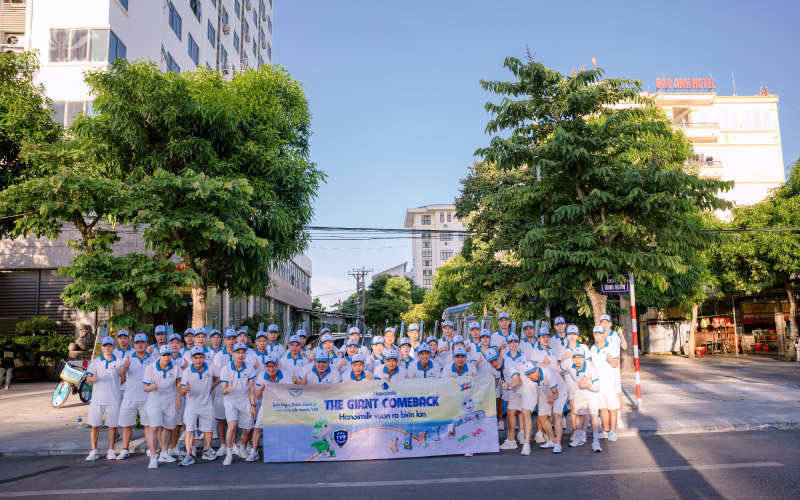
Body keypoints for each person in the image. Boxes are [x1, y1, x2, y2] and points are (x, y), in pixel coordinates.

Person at [85, 336, 125, 461]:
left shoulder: (119, 361)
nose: (107, 348)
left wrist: (116, 385)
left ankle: (111, 450)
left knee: (112, 426)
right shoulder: (95, 362)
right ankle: (94, 451)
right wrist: (93, 379)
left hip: (113, 399)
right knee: (94, 425)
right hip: (97, 400)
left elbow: (123, 376)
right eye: (105, 346)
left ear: (113, 347)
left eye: (110, 346)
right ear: (101, 347)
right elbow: (87, 379)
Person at [117, 333, 155, 460]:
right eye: (137, 343)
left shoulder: (153, 359)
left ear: (146, 344)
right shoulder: (128, 358)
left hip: (147, 397)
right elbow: (121, 373)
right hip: (130, 396)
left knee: (148, 425)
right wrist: (125, 366)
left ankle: (150, 449)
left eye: (142, 342)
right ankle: (125, 449)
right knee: (127, 424)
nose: (140, 345)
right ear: (134, 345)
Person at [143, 345, 182, 469]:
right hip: (155, 402)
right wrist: (151, 388)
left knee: (169, 427)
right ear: (159, 355)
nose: (167, 357)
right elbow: (145, 387)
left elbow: (178, 383)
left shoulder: (176, 365)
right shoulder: (151, 368)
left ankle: (164, 453)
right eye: (164, 355)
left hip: (170, 401)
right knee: (154, 428)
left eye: (169, 355)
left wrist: (178, 398)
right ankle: (154, 456)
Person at [219, 342, 257, 465]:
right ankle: (229, 454)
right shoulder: (226, 369)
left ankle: (242, 448)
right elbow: (223, 390)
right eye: (238, 352)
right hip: (230, 400)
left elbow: (251, 388)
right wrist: (227, 390)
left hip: (245, 400)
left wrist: (252, 405)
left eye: (243, 352)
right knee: (232, 425)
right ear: (233, 353)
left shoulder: (250, 367)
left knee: (247, 430)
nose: (241, 355)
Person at [179, 346, 217, 465]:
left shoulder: (211, 368)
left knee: (209, 428)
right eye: (196, 358)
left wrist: (212, 387)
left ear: (204, 357)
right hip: (192, 405)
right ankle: (189, 454)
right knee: (190, 429)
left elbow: (222, 376)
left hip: (207, 404)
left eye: (201, 357)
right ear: (191, 358)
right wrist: (184, 390)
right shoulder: (186, 372)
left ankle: (206, 451)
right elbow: (182, 391)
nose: (198, 360)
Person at [493, 348, 531, 455]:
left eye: (496, 359)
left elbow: (517, 381)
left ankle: (527, 445)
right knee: (510, 412)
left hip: (527, 388)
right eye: (492, 361)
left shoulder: (508, 365)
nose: (495, 363)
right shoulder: (500, 368)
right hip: (516, 389)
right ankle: (511, 441)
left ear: (500, 356)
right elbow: (496, 385)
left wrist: (508, 386)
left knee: (525, 413)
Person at [564, 346, 603, 452]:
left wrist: (587, 385)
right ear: (572, 359)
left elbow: (598, 386)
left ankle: (596, 442)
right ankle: (579, 439)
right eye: (575, 358)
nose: (577, 360)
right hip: (579, 392)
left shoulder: (590, 367)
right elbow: (560, 368)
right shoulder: (569, 364)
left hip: (592, 392)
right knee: (579, 415)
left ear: (584, 358)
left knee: (594, 416)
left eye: (580, 358)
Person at [523, 360, 567, 454]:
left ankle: (558, 444)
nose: (532, 376)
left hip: (560, 390)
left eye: (533, 372)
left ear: (537, 369)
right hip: (545, 391)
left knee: (557, 415)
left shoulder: (548, 374)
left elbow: (556, 394)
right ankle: (552, 440)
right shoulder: (532, 376)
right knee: (542, 416)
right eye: (529, 374)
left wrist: (551, 398)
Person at [253, 355, 289, 461]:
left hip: (282, 404)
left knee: (283, 428)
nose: (271, 369)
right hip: (267, 404)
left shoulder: (285, 374)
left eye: (273, 366)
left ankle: (283, 451)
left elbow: (290, 392)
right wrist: (259, 390)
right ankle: (254, 451)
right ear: (265, 367)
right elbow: (258, 396)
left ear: (278, 366)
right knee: (257, 427)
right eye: (268, 366)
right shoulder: (261, 376)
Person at [590, 325, 620, 442]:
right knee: (602, 408)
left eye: (600, 334)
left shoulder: (611, 347)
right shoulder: (592, 348)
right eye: (595, 334)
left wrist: (611, 360)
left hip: (609, 384)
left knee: (612, 408)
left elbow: (616, 363)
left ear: (604, 335)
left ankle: (613, 432)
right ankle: (606, 430)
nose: (598, 336)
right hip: (598, 385)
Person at [561, 324, 590, 438]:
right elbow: (559, 366)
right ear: (566, 335)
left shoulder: (584, 348)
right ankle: (575, 432)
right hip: (569, 381)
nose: (572, 336)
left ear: (577, 335)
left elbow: (588, 364)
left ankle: (583, 433)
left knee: (584, 408)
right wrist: (564, 358)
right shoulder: (563, 348)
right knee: (573, 408)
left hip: (582, 380)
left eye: (574, 334)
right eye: (569, 334)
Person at [211, 328, 237, 458]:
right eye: (229, 338)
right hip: (222, 392)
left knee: (234, 420)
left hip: (237, 393)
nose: (231, 341)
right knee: (221, 420)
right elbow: (216, 376)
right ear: (224, 340)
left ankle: (233, 444)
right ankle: (222, 445)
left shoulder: (240, 353)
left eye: (233, 338)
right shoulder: (219, 355)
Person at [600, 313, 627, 429]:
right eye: (602, 322)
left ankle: (619, 418)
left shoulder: (616, 334)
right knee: (603, 394)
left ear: (610, 324)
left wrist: (621, 335)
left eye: (607, 322)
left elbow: (625, 347)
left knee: (617, 393)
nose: (605, 324)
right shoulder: (599, 336)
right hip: (602, 370)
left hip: (614, 369)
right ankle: (605, 419)